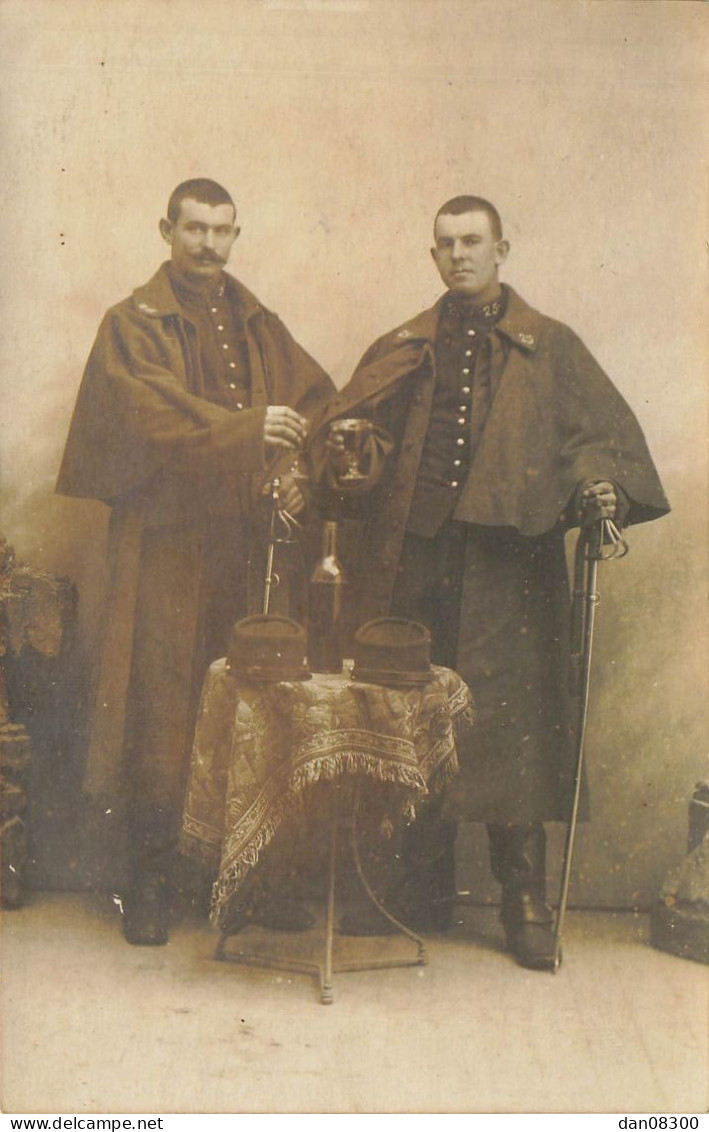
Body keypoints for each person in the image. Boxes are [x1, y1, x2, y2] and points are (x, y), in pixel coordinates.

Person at [311, 195, 669, 969]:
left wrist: (595, 487)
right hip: (418, 558)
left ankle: (522, 899)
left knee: (513, 726)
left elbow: (595, 442)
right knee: (409, 714)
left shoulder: (550, 348)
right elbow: (356, 442)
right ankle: (412, 887)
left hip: (514, 564)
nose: (458, 255)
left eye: (472, 241)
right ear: (432, 256)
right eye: (444, 244)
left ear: (501, 247)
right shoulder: (405, 344)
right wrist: (353, 453)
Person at [56, 179, 334, 945]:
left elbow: (314, 399)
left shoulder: (255, 320)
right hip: (169, 543)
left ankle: (241, 876)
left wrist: (297, 466)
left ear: (236, 234)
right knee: (161, 703)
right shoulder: (133, 323)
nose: (208, 245)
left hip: (246, 542)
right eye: (193, 230)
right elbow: (151, 413)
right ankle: (148, 878)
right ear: (165, 231)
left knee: (252, 700)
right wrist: (252, 432)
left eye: (221, 231)